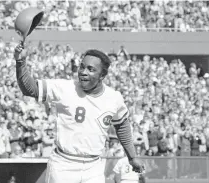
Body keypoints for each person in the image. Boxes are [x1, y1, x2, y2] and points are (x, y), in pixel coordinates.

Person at [14, 41, 145, 183]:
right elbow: (30, 89)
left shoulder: (114, 98)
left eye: (90, 69)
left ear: (102, 75)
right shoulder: (65, 88)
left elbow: (122, 125)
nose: (83, 72)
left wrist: (132, 157)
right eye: (82, 67)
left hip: (94, 166)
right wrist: (20, 61)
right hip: (64, 164)